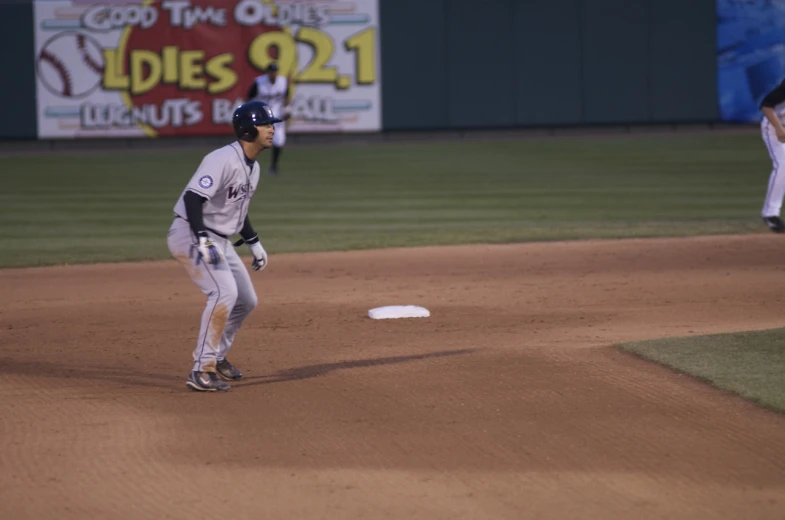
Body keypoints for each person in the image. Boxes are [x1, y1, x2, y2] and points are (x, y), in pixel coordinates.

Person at [166, 100, 282, 392]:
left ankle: (216, 357)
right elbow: (193, 199)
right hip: (191, 232)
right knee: (223, 293)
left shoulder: (252, 168)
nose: (271, 129)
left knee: (246, 299)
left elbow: (236, 212)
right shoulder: (221, 159)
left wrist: (254, 242)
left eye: (271, 124)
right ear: (248, 130)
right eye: (266, 124)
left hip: (219, 238)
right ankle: (200, 370)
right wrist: (202, 239)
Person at [247, 62, 291, 175]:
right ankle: (248, 165)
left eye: (275, 71)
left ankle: (274, 166)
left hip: (277, 114)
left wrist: (287, 110)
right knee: (254, 140)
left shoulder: (282, 81)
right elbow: (249, 97)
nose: (273, 73)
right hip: (261, 114)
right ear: (267, 72)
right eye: (271, 71)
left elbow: (286, 97)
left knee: (279, 140)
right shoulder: (259, 82)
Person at [759, 77, 785, 233]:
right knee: (783, 165)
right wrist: (779, 129)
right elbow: (766, 105)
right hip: (774, 128)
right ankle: (770, 214)